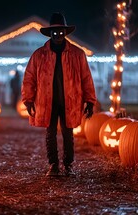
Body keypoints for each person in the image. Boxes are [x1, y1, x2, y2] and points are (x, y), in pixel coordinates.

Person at [21, 12, 97, 177]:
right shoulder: (39, 55)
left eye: (60, 32)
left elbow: (86, 78)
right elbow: (29, 78)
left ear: (65, 32)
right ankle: (54, 165)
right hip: (47, 101)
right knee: (50, 133)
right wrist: (28, 99)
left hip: (69, 100)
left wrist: (90, 100)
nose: (57, 35)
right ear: (50, 33)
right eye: (54, 32)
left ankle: (68, 164)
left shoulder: (77, 55)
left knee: (68, 133)